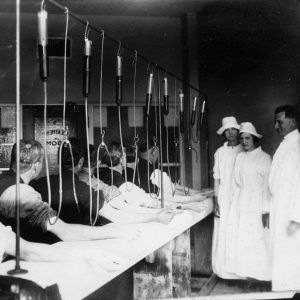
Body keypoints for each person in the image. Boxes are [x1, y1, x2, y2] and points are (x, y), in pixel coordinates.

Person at [0, 139, 139, 244]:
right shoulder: (22, 191)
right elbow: (64, 231)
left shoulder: (29, 183)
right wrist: (110, 231)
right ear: (36, 165)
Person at [79, 144, 178, 224]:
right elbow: (129, 206)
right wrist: (157, 213)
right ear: (122, 160)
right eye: (126, 156)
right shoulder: (116, 180)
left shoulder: (100, 175)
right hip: (109, 222)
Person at [225, 122, 271, 280]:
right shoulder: (240, 157)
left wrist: (265, 210)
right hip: (242, 202)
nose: (244, 141)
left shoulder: (264, 158)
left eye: (247, 138)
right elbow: (236, 182)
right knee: (243, 238)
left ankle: (260, 275)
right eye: (242, 138)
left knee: (257, 238)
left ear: (255, 139)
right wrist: (235, 204)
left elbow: (267, 186)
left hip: (257, 203)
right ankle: (246, 275)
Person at [268, 105, 300, 291]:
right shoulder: (285, 144)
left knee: (291, 260)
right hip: (279, 210)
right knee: (281, 258)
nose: (275, 127)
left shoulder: (297, 146)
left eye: (279, 122)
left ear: (293, 121)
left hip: (291, 215)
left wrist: (297, 218)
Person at [212, 116, 243, 279]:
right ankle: (225, 273)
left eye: (233, 129)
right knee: (223, 231)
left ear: (238, 131)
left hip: (239, 195)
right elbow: (217, 177)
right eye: (227, 130)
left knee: (238, 231)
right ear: (223, 133)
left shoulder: (244, 149)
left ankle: (241, 274)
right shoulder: (220, 152)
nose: (231, 133)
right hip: (224, 196)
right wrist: (216, 200)